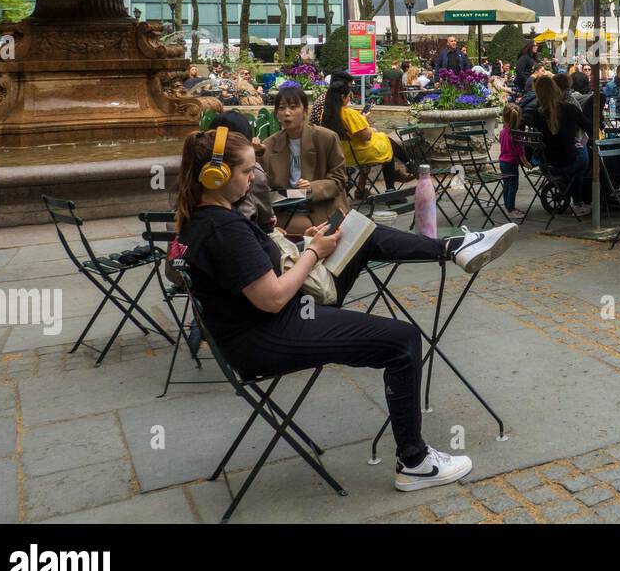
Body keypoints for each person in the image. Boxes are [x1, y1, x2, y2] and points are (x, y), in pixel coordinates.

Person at [170, 128, 518, 494]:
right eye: (246, 171)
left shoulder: (198, 220)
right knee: (402, 340)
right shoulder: (224, 228)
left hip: (268, 324)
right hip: (269, 334)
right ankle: (415, 462)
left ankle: (454, 247)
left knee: (358, 232)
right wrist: (313, 253)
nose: (253, 178)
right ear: (217, 175)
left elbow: (239, 274)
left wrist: (304, 243)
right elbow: (271, 297)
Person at [261, 86, 348, 232]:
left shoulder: (326, 138)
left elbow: (339, 180)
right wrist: (257, 155)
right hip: (286, 209)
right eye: (281, 108)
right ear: (276, 114)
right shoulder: (269, 145)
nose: (287, 113)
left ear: (305, 111)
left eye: (293, 107)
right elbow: (262, 186)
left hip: (322, 206)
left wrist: (312, 187)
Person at [525, 74, 594, 215]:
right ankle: (578, 201)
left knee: (576, 153)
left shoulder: (535, 114)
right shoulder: (569, 108)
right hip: (567, 163)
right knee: (583, 155)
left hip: (546, 165)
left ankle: (575, 198)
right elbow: (591, 129)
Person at [322, 78, 397, 188]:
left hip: (339, 154)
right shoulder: (348, 113)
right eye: (349, 95)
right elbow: (365, 136)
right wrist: (369, 126)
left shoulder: (326, 114)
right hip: (356, 153)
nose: (349, 98)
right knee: (387, 148)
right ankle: (391, 189)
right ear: (343, 97)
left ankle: (361, 190)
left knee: (385, 141)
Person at [497, 102, 528, 221]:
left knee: (507, 185)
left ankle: (507, 206)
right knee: (513, 185)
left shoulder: (503, 131)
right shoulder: (516, 134)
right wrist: (526, 163)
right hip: (512, 163)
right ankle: (511, 209)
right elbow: (520, 152)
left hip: (503, 162)